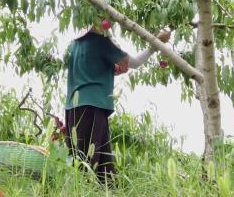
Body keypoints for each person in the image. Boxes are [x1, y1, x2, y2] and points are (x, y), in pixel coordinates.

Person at [63, 23, 171, 185]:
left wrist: (111, 69)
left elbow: (91, 69)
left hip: (72, 109)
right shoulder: (100, 42)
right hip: (93, 107)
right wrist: (155, 45)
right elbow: (134, 63)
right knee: (96, 162)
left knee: (82, 160)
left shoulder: (73, 46)